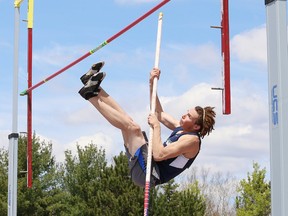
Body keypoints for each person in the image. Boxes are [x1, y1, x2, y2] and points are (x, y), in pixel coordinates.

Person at [78, 62, 216, 187]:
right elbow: (159, 113)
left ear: (196, 126)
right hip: (148, 163)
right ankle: (93, 86)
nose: (183, 116)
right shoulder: (182, 129)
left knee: (134, 129)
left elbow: (159, 155)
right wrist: (152, 84)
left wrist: (157, 127)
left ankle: (90, 96)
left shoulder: (192, 141)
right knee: (128, 121)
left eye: (188, 116)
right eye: (186, 112)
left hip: (149, 174)